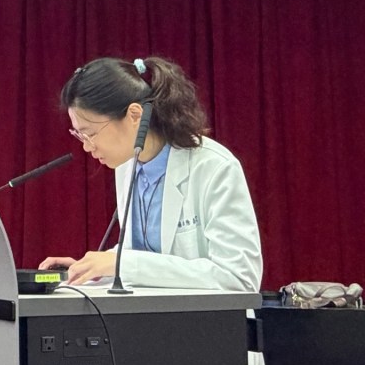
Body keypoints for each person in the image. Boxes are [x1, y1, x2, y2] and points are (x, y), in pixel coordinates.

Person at [39, 55, 262, 292]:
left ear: (135, 115)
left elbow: (239, 277)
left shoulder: (214, 167)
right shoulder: (127, 166)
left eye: (91, 134)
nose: (86, 146)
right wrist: (94, 270)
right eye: (80, 135)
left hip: (211, 316)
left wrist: (121, 264)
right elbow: (146, 254)